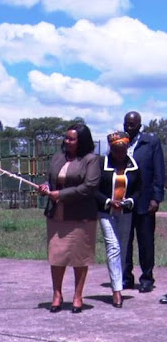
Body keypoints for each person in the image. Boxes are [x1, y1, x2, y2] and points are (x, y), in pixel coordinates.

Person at [38, 123, 100, 314]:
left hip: (81, 217)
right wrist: (46, 188)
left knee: (79, 258)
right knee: (57, 257)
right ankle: (57, 295)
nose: (67, 141)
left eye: (72, 139)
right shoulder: (58, 158)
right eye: (66, 137)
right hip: (57, 215)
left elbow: (90, 187)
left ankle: (77, 296)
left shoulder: (92, 159)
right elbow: (52, 180)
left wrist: (62, 194)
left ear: (82, 141)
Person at [96, 132, 141, 308]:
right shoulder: (101, 165)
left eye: (122, 150)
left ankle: (119, 281)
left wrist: (129, 201)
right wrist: (108, 201)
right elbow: (94, 189)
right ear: (111, 148)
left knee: (122, 247)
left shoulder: (134, 166)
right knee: (113, 247)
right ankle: (116, 291)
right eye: (116, 149)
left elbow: (139, 188)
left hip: (126, 212)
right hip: (106, 211)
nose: (119, 153)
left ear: (127, 148)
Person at [121, 111, 164, 294]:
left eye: (132, 124)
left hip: (145, 201)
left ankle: (146, 278)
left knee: (145, 241)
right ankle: (126, 278)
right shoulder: (119, 142)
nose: (128, 127)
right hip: (124, 200)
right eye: (126, 124)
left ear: (139, 125)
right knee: (125, 241)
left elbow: (159, 171)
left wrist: (156, 198)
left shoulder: (150, 142)